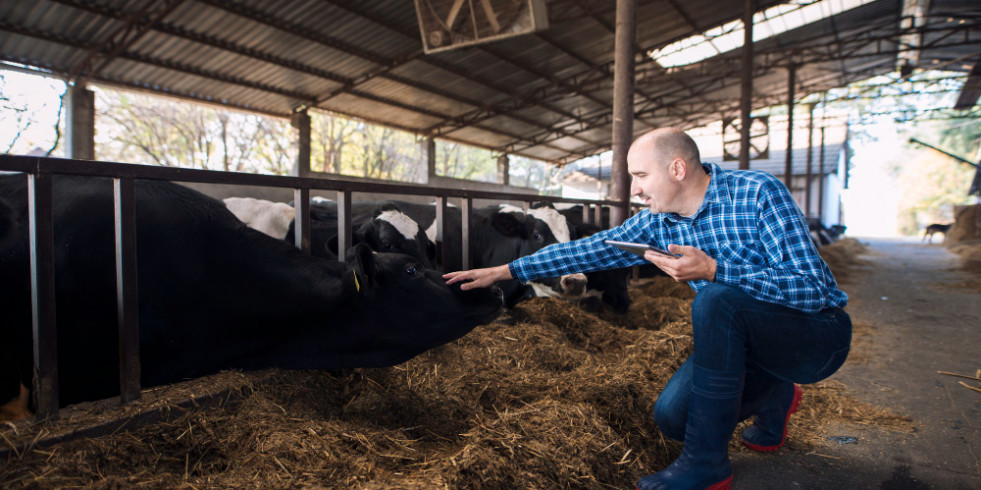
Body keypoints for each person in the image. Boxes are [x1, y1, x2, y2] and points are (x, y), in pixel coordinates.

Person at [444, 127, 851, 490]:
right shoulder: (659, 220)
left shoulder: (759, 192)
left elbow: (814, 289)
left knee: (717, 297)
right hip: (748, 346)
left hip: (815, 338)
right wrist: (505, 270)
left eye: (640, 176)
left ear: (677, 169)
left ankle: (706, 465)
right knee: (673, 419)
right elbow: (590, 249)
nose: (635, 191)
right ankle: (778, 393)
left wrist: (715, 269)